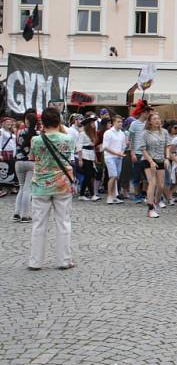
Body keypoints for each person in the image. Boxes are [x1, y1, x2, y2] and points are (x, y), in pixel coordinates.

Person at [28, 107, 76, 271]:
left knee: (38, 224)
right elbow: (70, 156)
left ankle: (35, 262)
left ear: (43, 122)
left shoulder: (36, 140)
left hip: (41, 185)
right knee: (63, 222)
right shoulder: (69, 139)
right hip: (62, 184)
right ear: (59, 121)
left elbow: (32, 157)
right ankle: (64, 260)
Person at [141, 112, 169, 219]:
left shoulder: (164, 132)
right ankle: (150, 208)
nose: (157, 120)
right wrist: (151, 161)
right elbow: (143, 149)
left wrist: (166, 158)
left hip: (161, 159)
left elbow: (167, 146)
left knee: (161, 185)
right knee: (152, 183)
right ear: (150, 122)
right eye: (154, 119)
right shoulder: (145, 133)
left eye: (158, 118)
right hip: (149, 159)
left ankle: (156, 203)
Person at [13, 109, 38, 222]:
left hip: (19, 161)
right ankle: (25, 215)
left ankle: (16, 213)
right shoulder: (37, 134)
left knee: (21, 187)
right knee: (28, 189)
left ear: (27, 121)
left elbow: (17, 144)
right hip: (31, 162)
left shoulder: (19, 132)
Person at [102, 116, 127, 204]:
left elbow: (124, 145)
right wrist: (117, 153)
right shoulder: (108, 133)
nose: (120, 123)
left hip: (119, 157)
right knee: (113, 176)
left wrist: (121, 153)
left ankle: (114, 196)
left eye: (121, 122)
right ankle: (109, 196)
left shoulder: (122, 133)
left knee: (116, 177)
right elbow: (105, 147)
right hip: (109, 157)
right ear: (114, 123)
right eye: (118, 122)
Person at [77, 117, 100, 201]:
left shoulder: (92, 134)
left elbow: (93, 146)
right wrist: (80, 159)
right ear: (89, 124)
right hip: (84, 155)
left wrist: (95, 158)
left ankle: (92, 194)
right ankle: (82, 194)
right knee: (89, 174)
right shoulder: (83, 133)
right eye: (92, 122)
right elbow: (79, 146)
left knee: (90, 175)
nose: (94, 124)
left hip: (90, 155)